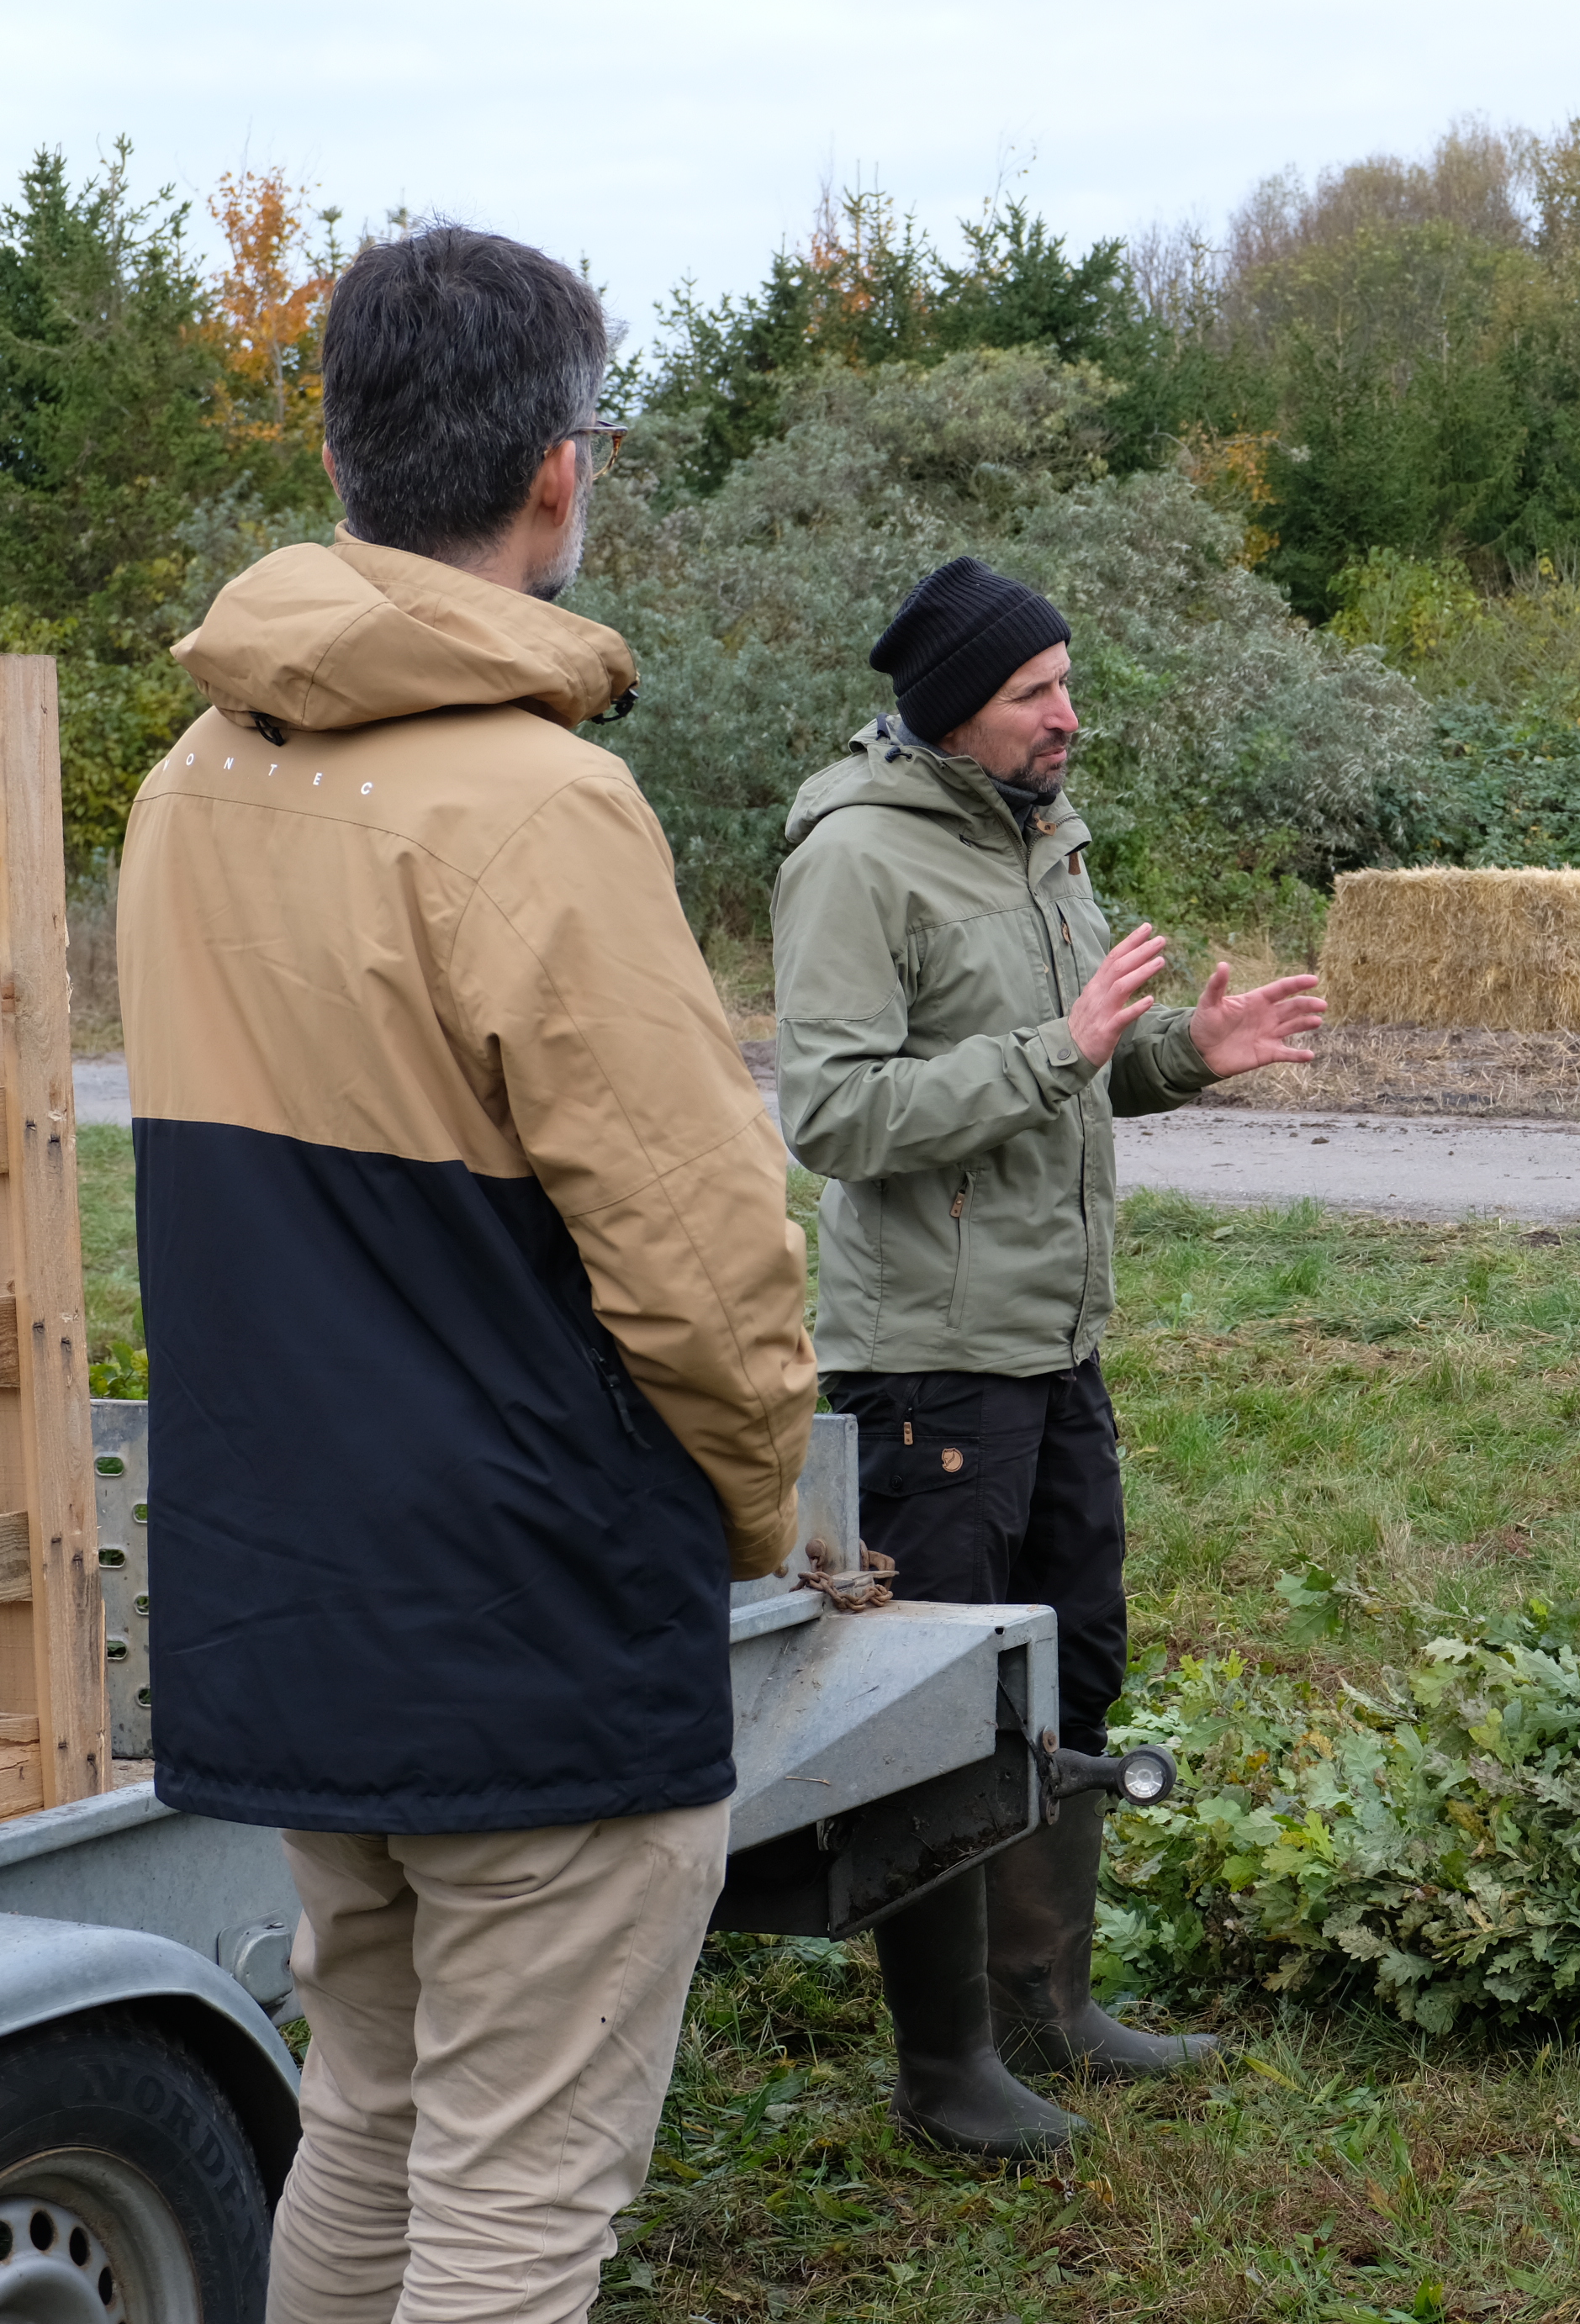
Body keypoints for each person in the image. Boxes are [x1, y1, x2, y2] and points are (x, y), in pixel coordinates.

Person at [125, 227, 816, 2319]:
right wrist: (754, 1503)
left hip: (290, 1587)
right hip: (524, 1610)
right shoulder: (541, 805)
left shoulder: (185, 787)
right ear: (556, 480)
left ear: (338, 447)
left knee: (372, 2118)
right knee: (521, 2199)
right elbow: (705, 1265)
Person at [771, 557, 1329, 2158]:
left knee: (1072, 1666)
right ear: (958, 707)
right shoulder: (860, 860)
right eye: (1037, 692)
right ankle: (946, 2073)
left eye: (1066, 683)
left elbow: (1064, 1075)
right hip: (928, 1363)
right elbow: (835, 1115)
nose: (1068, 714)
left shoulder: (1037, 841)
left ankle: (1052, 2008)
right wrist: (1061, 1048)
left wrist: (1171, 1058)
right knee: (937, 1708)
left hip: (1053, 1341)